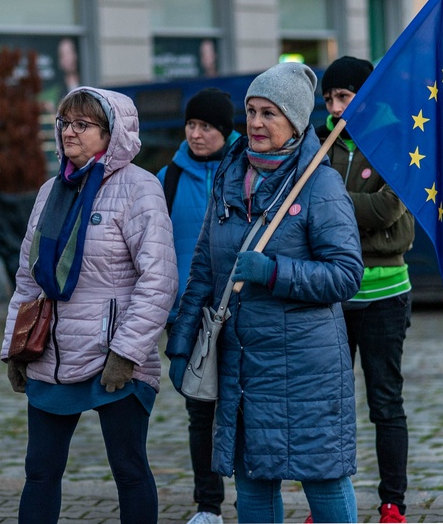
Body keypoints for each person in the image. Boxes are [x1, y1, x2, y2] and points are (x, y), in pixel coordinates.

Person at [166, 62, 364, 524]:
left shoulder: (321, 182)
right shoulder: (229, 176)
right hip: (242, 365)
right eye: (251, 111)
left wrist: (275, 272)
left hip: (306, 368)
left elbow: (344, 274)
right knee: (253, 481)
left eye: (269, 113)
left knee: (324, 478)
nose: (255, 123)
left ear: (294, 122)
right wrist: (181, 343)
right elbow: (202, 269)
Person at [1, 87, 179, 524]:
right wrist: (15, 348)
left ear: (112, 133)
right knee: (40, 472)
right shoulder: (51, 190)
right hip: (52, 353)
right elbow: (29, 275)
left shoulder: (140, 188)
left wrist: (128, 352)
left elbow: (159, 279)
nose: (69, 132)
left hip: (113, 356)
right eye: (64, 123)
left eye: (82, 124)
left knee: (129, 470)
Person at [317, 56, 414, 524]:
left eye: (344, 97)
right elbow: (307, 210)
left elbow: (387, 210)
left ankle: (392, 501)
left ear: (367, 94)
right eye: (329, 100)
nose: (336, 108)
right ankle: (330, 501)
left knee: (385, 401)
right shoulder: (321, 145)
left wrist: (330, 202)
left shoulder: (396, 138)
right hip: (334, 293)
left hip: (385, 293)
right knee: (331, 403)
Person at [157, 87, 240, 524]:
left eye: (206, 126)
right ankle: (208, 505)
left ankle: (253, 496)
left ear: (225, 132)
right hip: (188, 314)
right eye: (191, 124)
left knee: (246, 407)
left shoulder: (246, 172)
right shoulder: (166, 179)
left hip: (241, 310)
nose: (196, 133)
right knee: (200, 412)